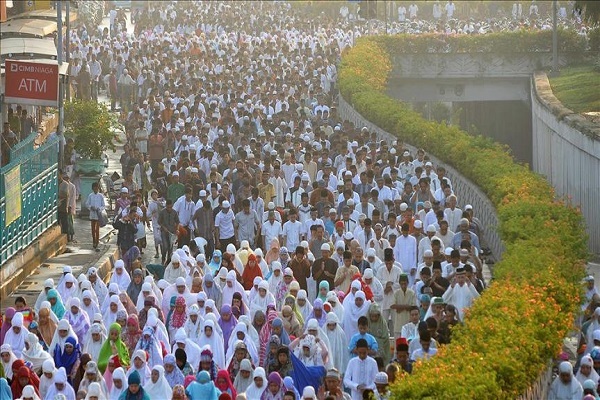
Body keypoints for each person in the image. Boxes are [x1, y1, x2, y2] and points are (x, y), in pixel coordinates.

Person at [85, 182, 106, 251]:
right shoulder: (90, 196)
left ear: (98, 188)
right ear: (92, 189)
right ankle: (94, 240)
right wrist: (91, 207)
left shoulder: (101, 196)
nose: (96, 189)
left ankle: (97, 241)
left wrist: (99, 208)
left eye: (97, 188)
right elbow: (87, 204)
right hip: (92, 214)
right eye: (94, 188)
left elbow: (103, 206)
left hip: (98, 214)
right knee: (93, 229)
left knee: (97, 229)